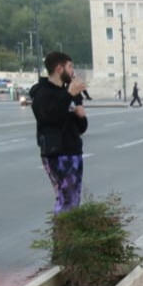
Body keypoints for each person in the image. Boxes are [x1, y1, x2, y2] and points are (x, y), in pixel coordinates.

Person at [30, 52, 89, 214]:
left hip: (72, 151)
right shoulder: (43, 93)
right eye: (70, 67)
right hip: (58, 153)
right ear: (58, 68)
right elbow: (50, 116)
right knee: (67, 200)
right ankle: (63, 237)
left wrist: (80, 113)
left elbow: (81, 127)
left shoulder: (67, 93)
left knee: (73, 200)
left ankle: (66, 235)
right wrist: (69, 95)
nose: (72, 71)